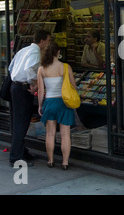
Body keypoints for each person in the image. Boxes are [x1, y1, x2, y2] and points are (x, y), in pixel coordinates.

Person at [8, 29, 51, 167]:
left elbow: (11, 67)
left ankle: (20, 151)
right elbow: (29, 70)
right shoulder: (34, 52)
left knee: (18, 122)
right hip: (22, 89)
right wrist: (34, 84)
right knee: (21, 122)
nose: (48, 44)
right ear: (42, 40)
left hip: (15, 87)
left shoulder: (23, 50)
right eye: (48, 40)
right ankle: (17, 157)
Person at [37, 42, 77, 170]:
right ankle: (65, 162)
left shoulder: (41, 69)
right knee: (65, 134)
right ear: (58, 52)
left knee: (50, 134)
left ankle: (50, 160)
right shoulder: (65, 67)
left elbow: (41, 91)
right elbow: (73, 86)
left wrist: (40, 105)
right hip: (64, 102)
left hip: (49, 102)